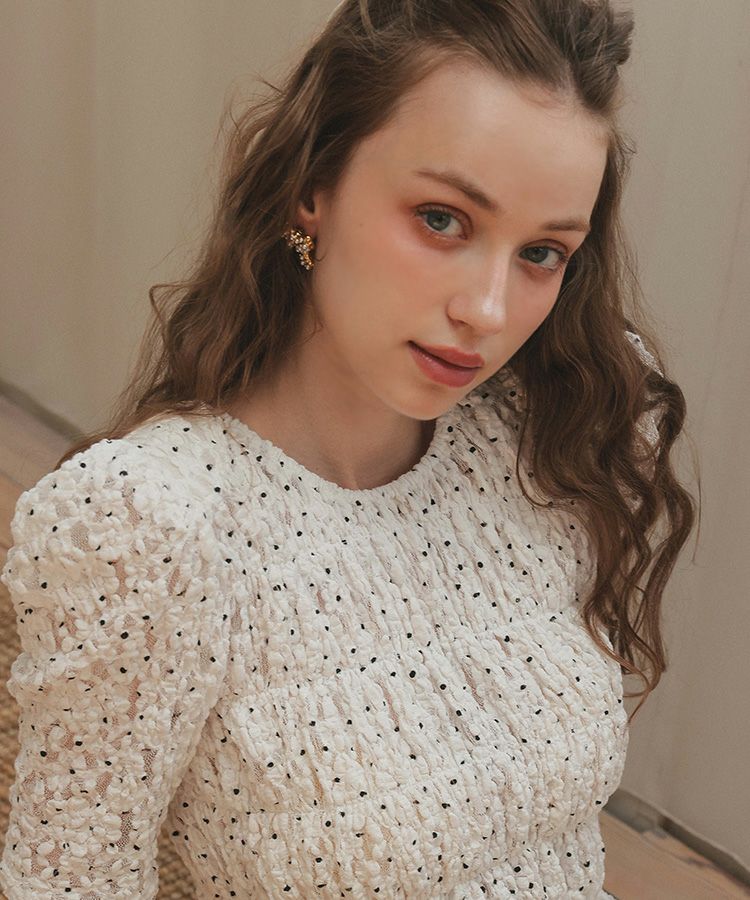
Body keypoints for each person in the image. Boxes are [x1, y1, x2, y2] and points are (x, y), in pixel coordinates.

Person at [0, 0, 697, 897]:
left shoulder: (551, 433)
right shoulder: (153, 527)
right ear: (314, 185)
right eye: (442, 219)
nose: (487, 311)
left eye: (542, 253)